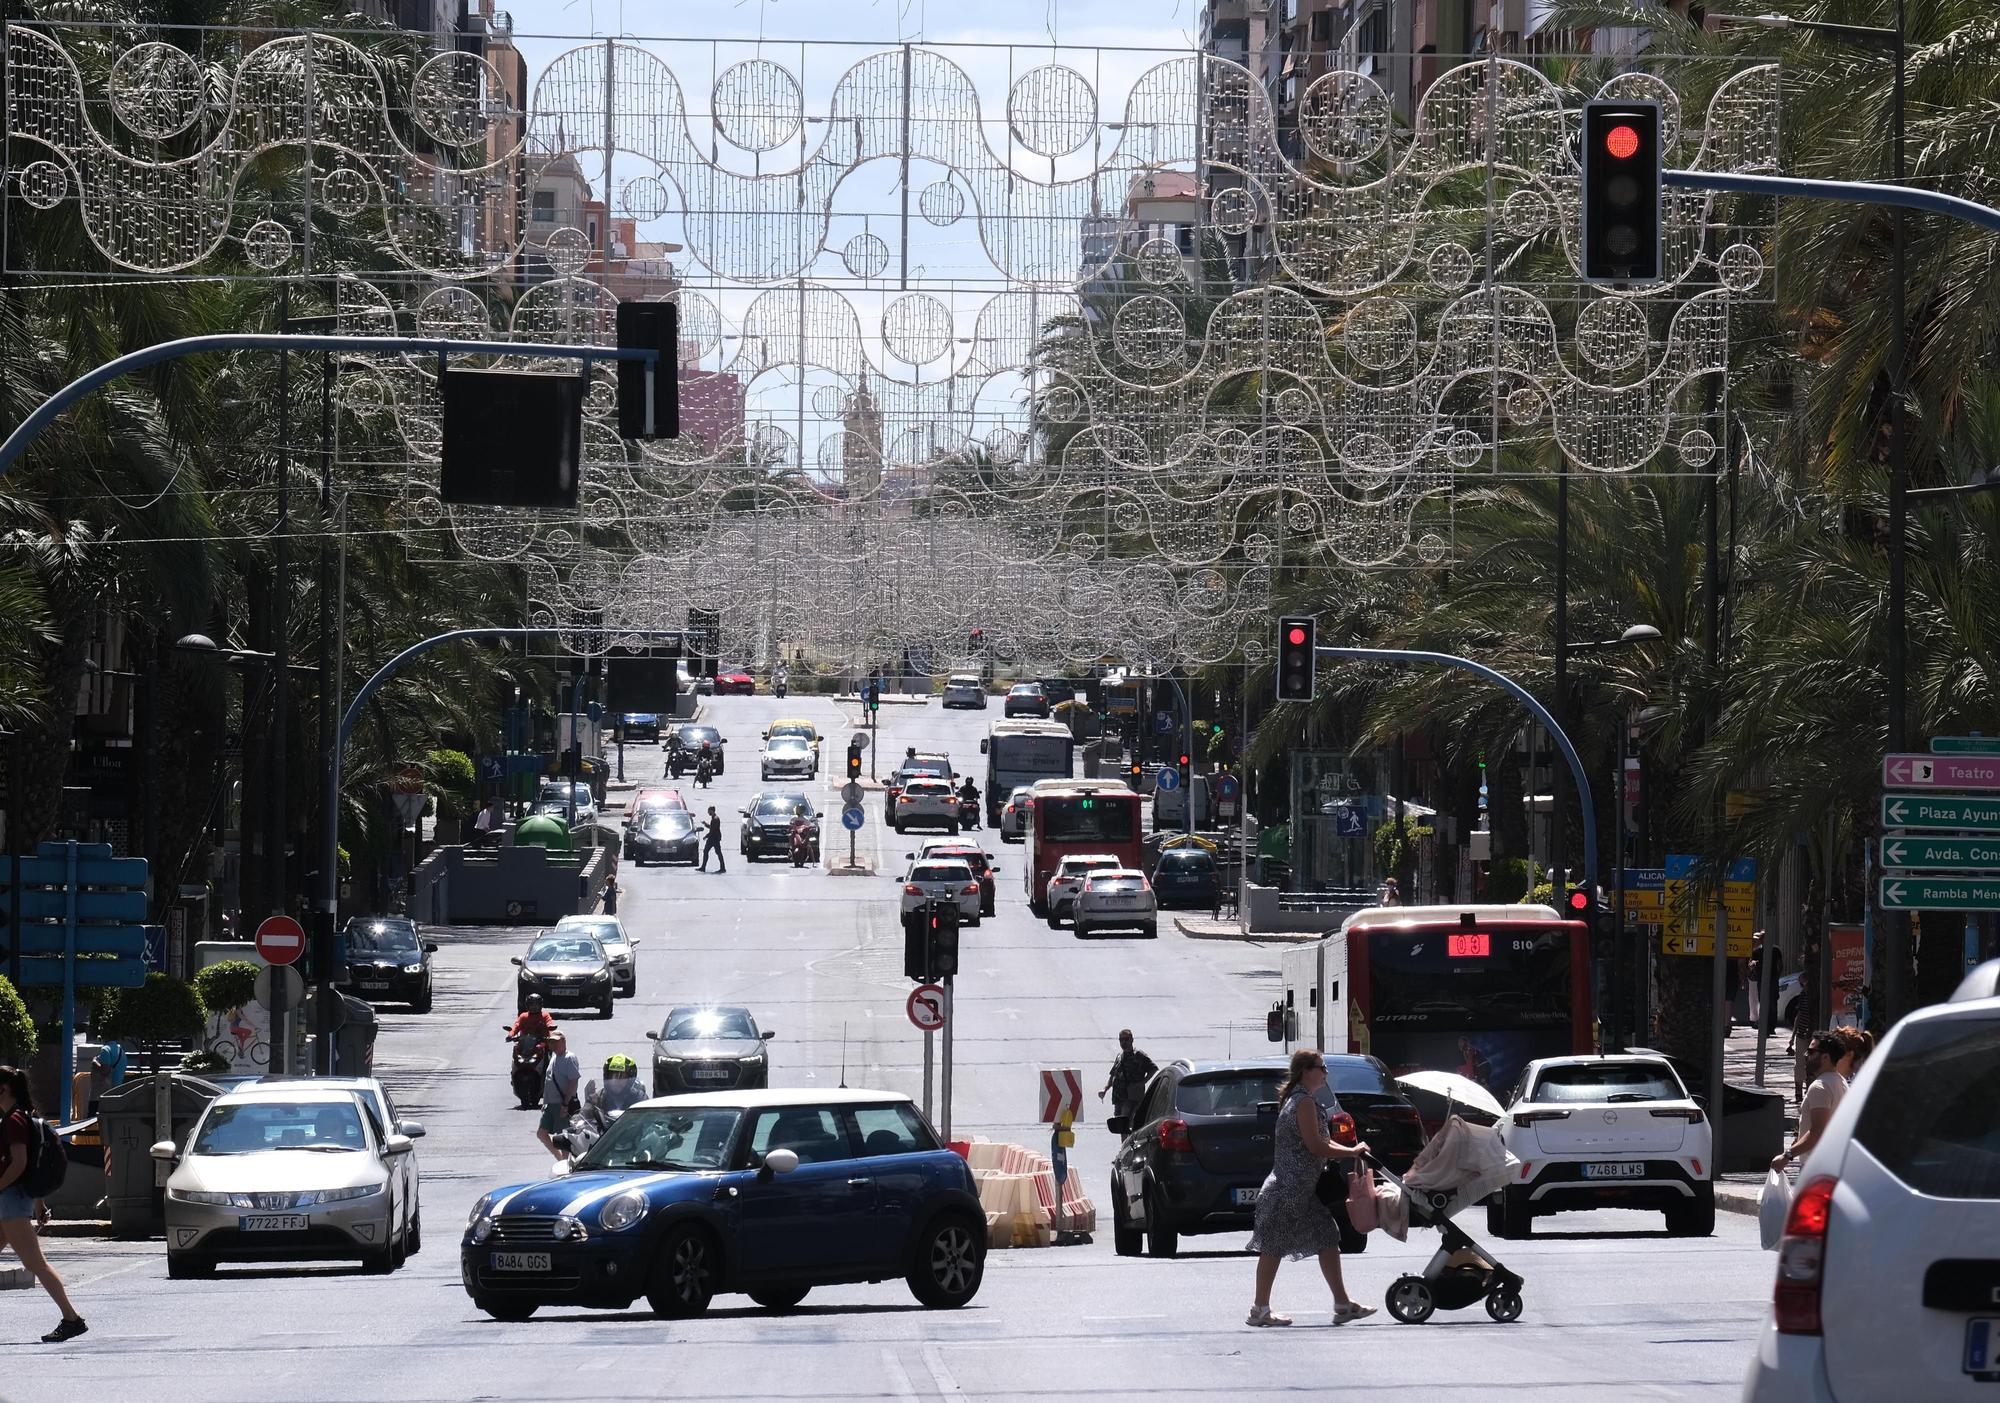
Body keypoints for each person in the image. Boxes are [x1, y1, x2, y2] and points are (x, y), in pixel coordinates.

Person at [1245, 1048, 1375, 1327]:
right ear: (1307, 1070)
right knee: (1273, 1247)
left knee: (1327, 1237)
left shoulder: (1300, 1100)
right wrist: (1352, 1151)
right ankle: (1259, 1310)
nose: (1326, 1072)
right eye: (1322, 1067)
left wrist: (1352, 1151)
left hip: (1298, 1189)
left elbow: (1319, 1143)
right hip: (1288, 1190)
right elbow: (1316, 1145)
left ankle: (1342, 1304)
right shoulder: (1303, 1102)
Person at [0, 1067, 86, 1343]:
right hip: (15, 1198)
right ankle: (71, 1318)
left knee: (35, 1263)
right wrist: (38, 1203)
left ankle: (72, 1319)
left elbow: (21, 1163)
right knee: (34, 1262)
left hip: (11, 1200)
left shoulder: (14, 1120)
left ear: (4, 1090)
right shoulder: (21, 1117)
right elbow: (32, 1168)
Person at [1773, 1031, 1847, 1173]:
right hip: (1832, 1163)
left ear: (1825, 1057)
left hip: (1816, 1167)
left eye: (1811, 1051)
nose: (1805, 1055)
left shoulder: (1820, 1087)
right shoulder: (1840, 1081)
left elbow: (1817, 1131)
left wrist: (1787, 1156)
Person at [536, 1031, 582, 1160]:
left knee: (563, 1137)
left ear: (563, 1042)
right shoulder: (554, 1057)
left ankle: (565, 1164)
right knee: (542, 1133)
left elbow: (573, 1081)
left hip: (562, 1104)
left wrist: (565, 1104)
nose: (553, 1044)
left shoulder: (569, 1058)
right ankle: (561, 1160)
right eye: (551, 1041)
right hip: (551, 1104)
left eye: (556, 1041)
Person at [1097, 1029, 1157, 1123]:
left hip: (1131, 1097)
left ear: (1132, 1040)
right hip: (1118, 1097)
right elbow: (1113, 1075)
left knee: (1127, 1124)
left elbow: (1153, 1068)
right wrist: (1105, 1090)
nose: (1123, 1042)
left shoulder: (1139, 1055)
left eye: (1126, 1039)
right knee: (1120, 1126)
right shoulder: (1119, 1057)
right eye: (1121, 1040)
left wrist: (1142, 1082)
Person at [1745, 936, 1765, 1031]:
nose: (1755, 942)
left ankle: (1758, 1019)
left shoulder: (1761, 950)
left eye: (1757, 940)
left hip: (1758, 977)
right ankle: (1755, 1019)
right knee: (1753, 999)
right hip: (1752, 978)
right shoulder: (1751, 951)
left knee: (1758, 999)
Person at [699, 805, 727, 873]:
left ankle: (704, 867)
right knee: (716, 852)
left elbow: (712, 831)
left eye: (709, 811)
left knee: (708, 851)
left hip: (713, 838)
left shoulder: (715, 819)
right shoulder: (714, 818)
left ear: (712, 811)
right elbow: (712, 828)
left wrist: (706, 836)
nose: (708, 812)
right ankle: (722, 867)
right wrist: (705, 824)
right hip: (715, 838)